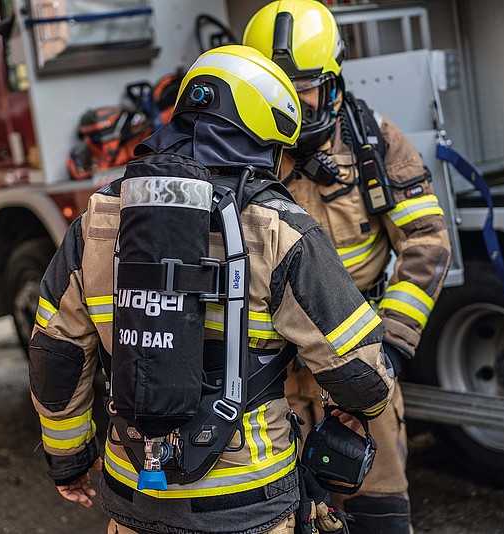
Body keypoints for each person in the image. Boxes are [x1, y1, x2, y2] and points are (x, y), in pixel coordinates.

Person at [28, 44, 395, 534]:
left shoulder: (99, 218)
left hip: (135, 498)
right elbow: (361, 375)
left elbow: (56, 356)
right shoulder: (281, 228)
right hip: (248, 503)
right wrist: (363, 406)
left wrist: (68, 459)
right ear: (263, 138)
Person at [243, 1, 451, 532]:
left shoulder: (372, 142)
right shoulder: (242, 157)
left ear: (334, 82)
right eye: (275, 87)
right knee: (285, 517)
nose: (292, 101)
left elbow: (427, 241)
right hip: (273, 381)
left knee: (379, 515)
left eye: (305, 86)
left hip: (364, 370)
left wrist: (392, 346)